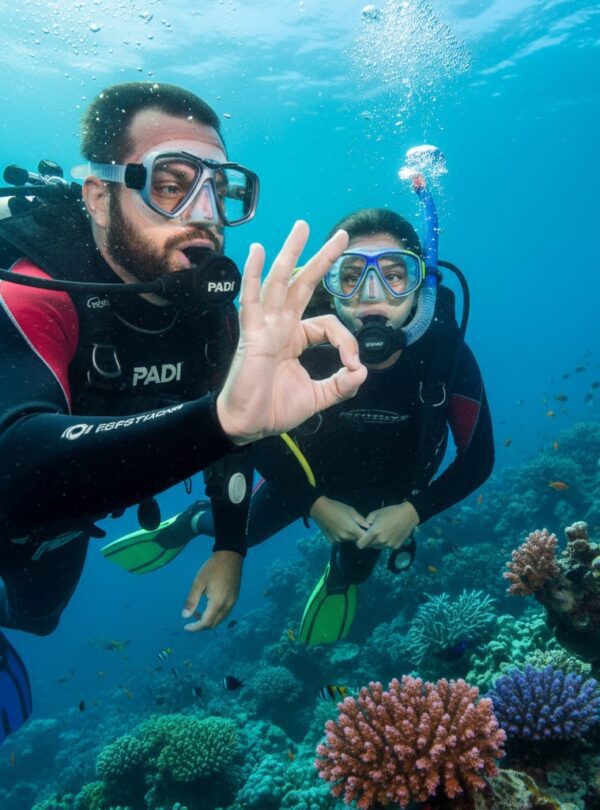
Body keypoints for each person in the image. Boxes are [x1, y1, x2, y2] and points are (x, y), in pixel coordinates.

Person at [0, 81, 366, 742]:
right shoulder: (34, 289)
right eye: (171, 185)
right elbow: (13, 463)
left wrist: (230, 546)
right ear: (98, 195)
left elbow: (237, 437)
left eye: (220, 190)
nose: (206, 215)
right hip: (28, 501)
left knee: (39, 617)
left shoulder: (210, 317)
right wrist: (219, 421)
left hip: (62, 524)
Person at [104, 178, 494, 645]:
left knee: (357, 567)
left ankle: (340, 577)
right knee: (245, 532)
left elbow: (479, 458)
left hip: (393, 500)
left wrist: (413, 512)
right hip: (301, 481)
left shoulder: (447, 356)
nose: (373, 294)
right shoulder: (299, 345)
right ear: (331, 287)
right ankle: (189, 522)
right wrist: (314, 503)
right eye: (350, 277)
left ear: (421, 288)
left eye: (395, 275)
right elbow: (251, 432)